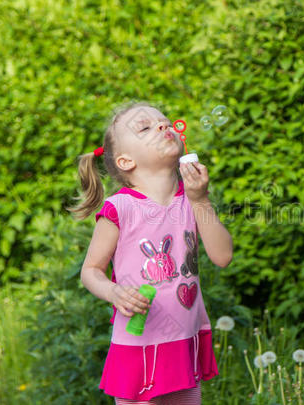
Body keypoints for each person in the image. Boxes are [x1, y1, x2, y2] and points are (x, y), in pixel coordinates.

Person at [69, 101, 233, 404]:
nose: (163, 126)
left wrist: (202, 201)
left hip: (184, 338)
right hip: (139, 340)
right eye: (145, 127)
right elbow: (90, 270)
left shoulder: (192, 199)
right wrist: (113, 292)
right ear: (126, 161)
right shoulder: (120, 208)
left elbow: (222, 256)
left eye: (166, 122)